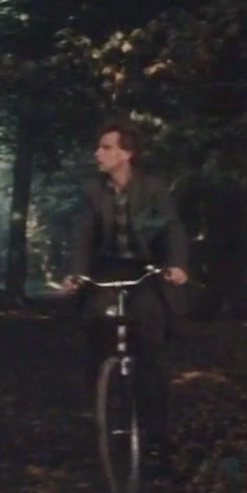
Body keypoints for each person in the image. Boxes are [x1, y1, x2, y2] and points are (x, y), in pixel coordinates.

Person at [63, 115, 189, 472]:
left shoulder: (153, 188)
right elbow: (83, 235)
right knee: (95, 329)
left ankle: (157, 437)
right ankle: (101, 412)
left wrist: (177, 265)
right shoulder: (93, 191)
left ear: (127, 153)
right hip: (107, 269)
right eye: (99, 147)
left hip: (145, 271)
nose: (98, 153)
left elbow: (172, 229)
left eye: (106, 147)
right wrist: (77, 272)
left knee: (152, 343)